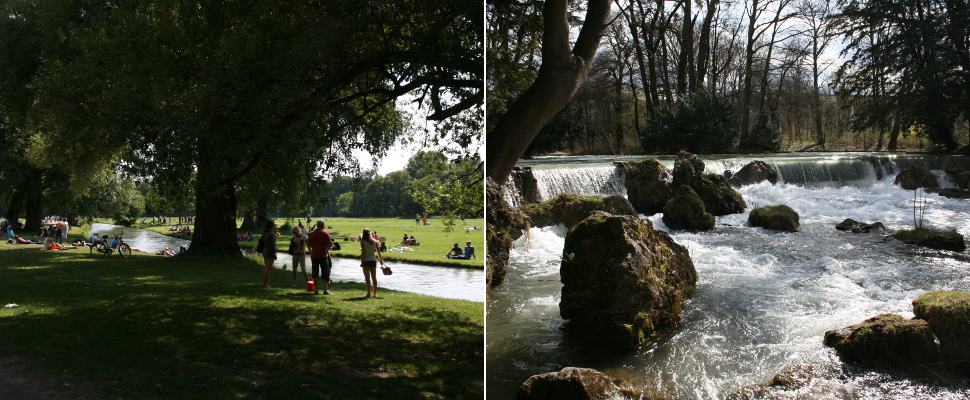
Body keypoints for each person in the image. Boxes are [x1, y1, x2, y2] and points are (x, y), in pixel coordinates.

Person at [306, 220, 333, 295]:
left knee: (315, 273)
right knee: (325, 273)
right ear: (322, 226)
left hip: (314, 256)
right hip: (323, 256)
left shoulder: (310, 234)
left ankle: (316, 290)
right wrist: (327, 249)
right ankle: (325, 290)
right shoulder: (325, 234)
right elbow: (331, 244)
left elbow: (307, 243)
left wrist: (310, 251)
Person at [359, 228, 385, 298]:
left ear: (363, 233)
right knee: (374, 277)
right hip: (373, 260)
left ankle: (368, 293)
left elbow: (363, 253)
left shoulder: (362, 241)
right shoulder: (375, 241)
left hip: (366, 260)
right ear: (369, 233)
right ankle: (374, 294)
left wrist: (362, 261)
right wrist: (380, 259)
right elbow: (378, 252)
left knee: (367, 278)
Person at [260, 220, 278, 288]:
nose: (274, 226)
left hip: (265, 251)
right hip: (270, 252)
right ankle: (265, 284)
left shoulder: (264, 233)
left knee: (266, 267)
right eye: (273, 225)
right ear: (271, 226)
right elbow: (273, 245)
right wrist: (274, 255)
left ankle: (264, 283)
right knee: (268, 268)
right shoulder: (271, 234)